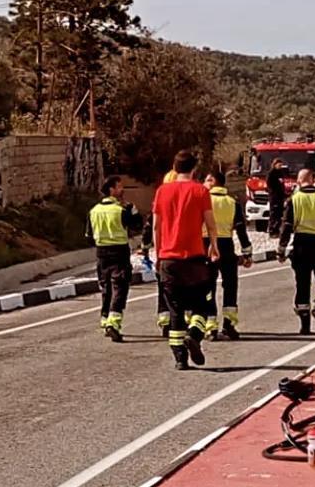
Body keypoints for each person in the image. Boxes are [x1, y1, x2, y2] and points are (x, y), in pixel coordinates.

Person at [151, 151, 220, 369]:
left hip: (169, 259)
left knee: (175, 309)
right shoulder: (200, 191)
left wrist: (158, 254)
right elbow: (210, 224)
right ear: (194, 169)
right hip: (195, 259)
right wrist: (214, 247)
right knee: (202, 304)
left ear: (174, 167)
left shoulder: (162, 191)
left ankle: (180, 358)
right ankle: (195, 334)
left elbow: (156, 226)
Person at [277, 167, 315, 334]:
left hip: (301, 245)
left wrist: (281, 249)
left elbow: (286, 226)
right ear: (312, 180)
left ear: (298, 181)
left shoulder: (294, 200)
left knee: (302, 284)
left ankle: (305, 326)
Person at [87, 176, 143, 342]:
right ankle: (114, 322)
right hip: (119, 251)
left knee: (106, 287)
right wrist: (133, 210)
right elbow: (137, 225)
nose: (122, 190)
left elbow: (89, 237)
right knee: (120, 286)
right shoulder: (121, 210)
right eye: (119, 187)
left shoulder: (93, 211)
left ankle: (105, 319)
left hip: (101, 253)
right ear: (111, 190)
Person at [201, 167, 253, 339]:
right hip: (226, 246)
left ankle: (210, 325)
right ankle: (229, 325)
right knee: (230, 286)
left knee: (208, 286)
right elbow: (241, 229)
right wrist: (247, 253)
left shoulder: (203, 200)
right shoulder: (232, 202)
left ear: (213, 182)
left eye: (207, 180)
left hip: (206, 245)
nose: (204, 183)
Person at [141, 166, 183, 336]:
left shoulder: (159, 204)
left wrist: (146, 249)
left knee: (164, 288)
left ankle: (165, 321)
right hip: (182, 252)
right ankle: (181, 320)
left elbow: (150, 229)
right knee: (183, 288)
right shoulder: (183, 205)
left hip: (164, 253)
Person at [266, 158, 289, 237]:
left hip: (280, 198)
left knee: (279, 215)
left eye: (281, 165)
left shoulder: (281, 173)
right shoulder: (271, 174)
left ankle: (277, 230)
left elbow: (281, 185)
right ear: (275, 165)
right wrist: (275, 194)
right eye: (279, 165)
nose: (280, 166)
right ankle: (272, 231)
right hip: (274, 198)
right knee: (274, 215)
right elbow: (270, 186)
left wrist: (284, 194)